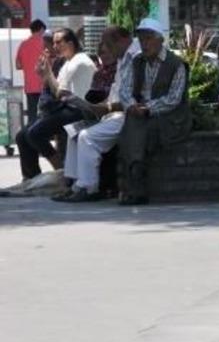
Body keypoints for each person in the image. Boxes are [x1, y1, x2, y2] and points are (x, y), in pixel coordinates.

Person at [54, 26, 137, 202]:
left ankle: (88, 187)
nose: (106, 51)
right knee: (73, 133)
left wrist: (106, 108)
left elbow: (131, 96)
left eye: (108, 45)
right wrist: (97, 106)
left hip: (125, 114)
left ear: (120, 41)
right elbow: (115, 91)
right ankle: (75, 184)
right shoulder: (123, 58)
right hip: (110, 112)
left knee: (86, 136)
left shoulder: (134, 58)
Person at [116, 18, 191, 205]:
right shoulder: (137, 61)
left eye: (149, 39)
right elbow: (124, 90)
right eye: (141, 39)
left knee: (138, 128)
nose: (144, 43)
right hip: (141, 114)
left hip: (169, 117)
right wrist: (133, 105)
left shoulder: (176, 64)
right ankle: (136, 176)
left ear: (160, 40)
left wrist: (148, 108)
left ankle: (134, 181)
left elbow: (173, 99)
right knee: (133, 122)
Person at [15, 28, 97, 180]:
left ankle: (63, 173)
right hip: (65, 107)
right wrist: (45, 75)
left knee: (35, 133)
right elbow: (56, 90)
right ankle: (31, 177)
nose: (54, 46)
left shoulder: (79, 62)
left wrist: (47, 74)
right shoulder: (66, 62)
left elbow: (60, 92)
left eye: (58, 42)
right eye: (53, 43)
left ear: (70, 43)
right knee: (22, 135)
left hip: (80, 110)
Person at [16, 19, 47, 125]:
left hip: (29, 86)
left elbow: (18, 65)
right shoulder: (44, 44)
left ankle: (30, 137)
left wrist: (28, 64)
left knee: (32, 114)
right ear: (41, 29)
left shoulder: (23, 44)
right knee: (44, 114)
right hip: (43, 85)